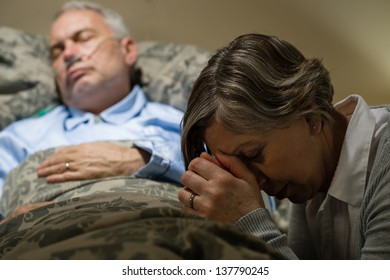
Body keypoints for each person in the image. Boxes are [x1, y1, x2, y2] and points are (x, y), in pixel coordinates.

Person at [177, 33, 390, 259]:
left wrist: (252, 227)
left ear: (310, 115)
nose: (254, 183)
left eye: (253, 154)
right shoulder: (311, 173)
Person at [0, 1, 184, 207]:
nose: (68, 54)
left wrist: (143, 159)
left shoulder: (181, 123)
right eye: (57, 51)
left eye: (83, 38)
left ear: (128, 50)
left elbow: (221, 181)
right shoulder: (17, 139)